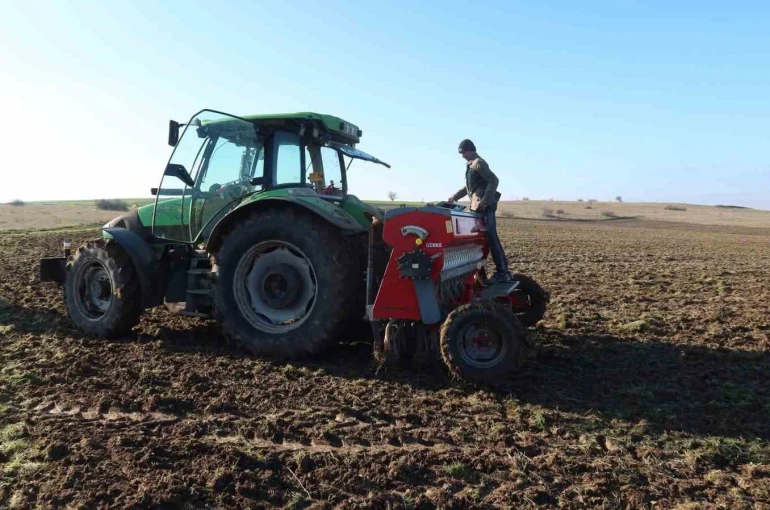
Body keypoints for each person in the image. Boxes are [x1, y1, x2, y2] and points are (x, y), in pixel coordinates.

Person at [448, 139, 512, 283]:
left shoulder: (478, 163)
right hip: (478, 207)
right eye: (461, 153)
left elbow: (494, 180)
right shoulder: (471, 164)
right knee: (482, 239)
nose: (462, 155)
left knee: (491, 238)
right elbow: (469, 187)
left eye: (464, 152)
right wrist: (454, 197)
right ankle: (483, 274)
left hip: (485, 207)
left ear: (471, 150)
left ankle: (502, 272)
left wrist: (484, 201)